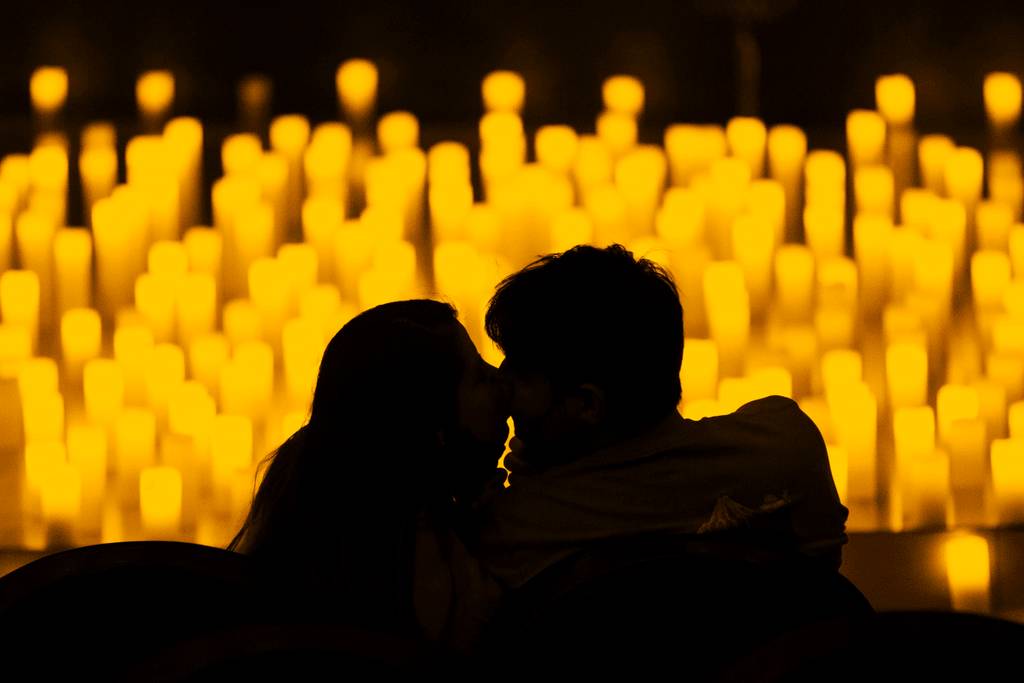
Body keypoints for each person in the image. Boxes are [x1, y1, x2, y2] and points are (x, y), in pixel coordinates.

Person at [467, 244, 849, 591]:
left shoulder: (515, 528)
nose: (503, 386)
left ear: (586, 404)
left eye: (520, 373)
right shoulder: (787, 445)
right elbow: (822, 585)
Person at [228, 299, 511, 652]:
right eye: (479, 377)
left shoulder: (313, 488)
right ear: (430, 423)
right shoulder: (425, 564)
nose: (502, 380)